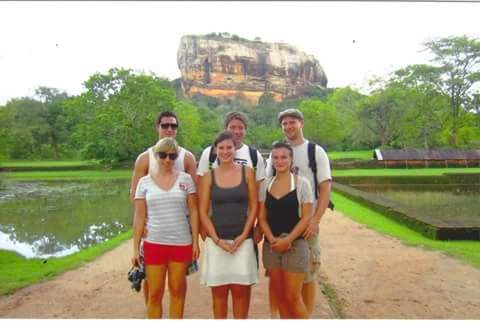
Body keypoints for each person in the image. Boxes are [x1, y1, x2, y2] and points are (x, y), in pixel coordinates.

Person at [266, 108, 332, 317]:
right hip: (280, 221)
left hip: (306, 221)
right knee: (282, 282)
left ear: (301, 123)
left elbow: (324, 188)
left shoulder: (314, 151)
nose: (288, 127)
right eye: (284, 123)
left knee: (308, 275)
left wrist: (315, 220)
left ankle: (307, 315)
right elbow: (269, 184)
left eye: (292, 122)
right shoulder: (278, 152)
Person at [129, 110, 198, 305]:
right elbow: (135, 195)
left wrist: (194, 234)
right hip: (153, 227)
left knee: (178, 284)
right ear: (157, 127)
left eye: (173, 126)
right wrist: (143, 224)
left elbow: (195, 198)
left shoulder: (187, 157)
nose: (169, 129)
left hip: (180, 228)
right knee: (151, 282)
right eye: (165, 125)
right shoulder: (145, 158)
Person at [198, 131, 258, 319]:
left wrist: (244, 235)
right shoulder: (209, 176)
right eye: (221, 148)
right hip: (217, 243)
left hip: (243, 241)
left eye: (229, 147)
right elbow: (203, 212)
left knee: (241, 294)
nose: (225, 151)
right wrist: (216, 240)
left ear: (235, 149)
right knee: (219, 295)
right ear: (215, 150)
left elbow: (254, 207)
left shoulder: (247, 172)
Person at [258, 141, 313, 318]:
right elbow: (262, 218)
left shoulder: (302, 184)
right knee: (280, 295)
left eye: (283, 157)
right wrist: (273, 240)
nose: (279, 161)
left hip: (295, 245)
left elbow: (306, 218)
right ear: (271, 160)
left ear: (291, 159)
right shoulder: (266, 185)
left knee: (293, 297)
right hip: (271, 247)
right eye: (275, 157)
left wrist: (287, 240)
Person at [196, 111, 266, 248]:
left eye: (241, 128)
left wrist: (258, 226)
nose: (236, 131)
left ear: (245, 130)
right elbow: (200, 190)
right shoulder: (209, 154)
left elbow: (260, 196)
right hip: (215, 225)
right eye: (232, 127)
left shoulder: (253, 155)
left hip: (245, 226)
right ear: (225, 128)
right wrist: (202, 224)